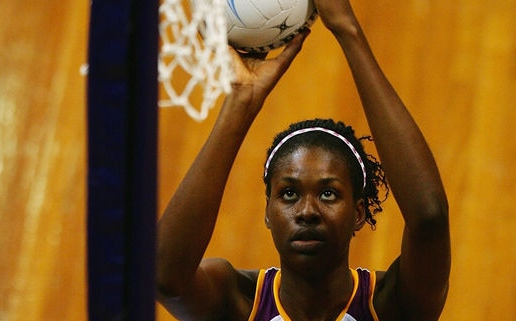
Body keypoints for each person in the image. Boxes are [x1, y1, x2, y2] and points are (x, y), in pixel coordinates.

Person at [156, 0, 451, 320]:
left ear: (358, 213)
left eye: (328, 193)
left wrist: (347, 31)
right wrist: (241, 102)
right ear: (267, 212)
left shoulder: (390, 305)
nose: (307, 212)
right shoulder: (237, 302)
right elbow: (165, 277)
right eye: (289, 194)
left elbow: (429, 218)